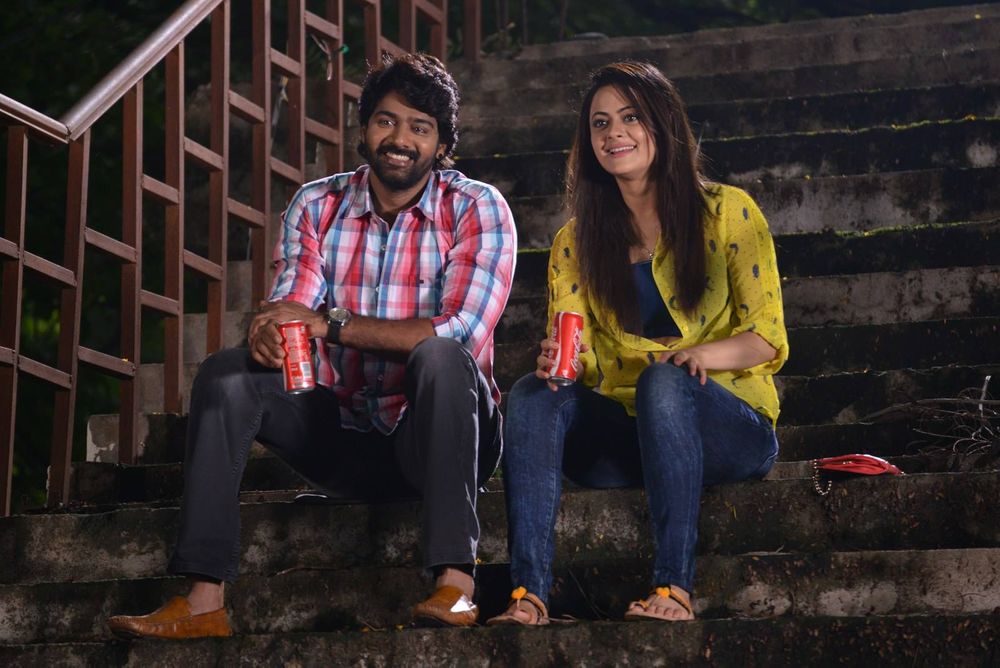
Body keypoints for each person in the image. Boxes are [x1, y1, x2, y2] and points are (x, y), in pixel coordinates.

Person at [107, 52, 517, 638]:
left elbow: (459, 331)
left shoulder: (477, 206)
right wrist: (271, 331)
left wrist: (330, 324)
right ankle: (203, 600)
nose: (400, 139)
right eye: (386, 120)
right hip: (343, 437)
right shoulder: (317, 204)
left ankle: (456, 585)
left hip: (438, 441)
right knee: (226, 375)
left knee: (442, 357)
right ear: (364, 127)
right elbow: (292, 311)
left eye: (420, 127)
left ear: (442, 143)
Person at [486, 61, 787, 626]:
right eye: (600, 123)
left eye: (630, 118)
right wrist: (557, 364)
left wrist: (696, 357)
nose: (614, 133)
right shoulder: (576, 242)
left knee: (664, 382)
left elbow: (766, 338)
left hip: (728, 427)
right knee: (530, 393)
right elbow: (578, 355)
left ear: (663, 123)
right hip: (629, 438)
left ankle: (674, 588)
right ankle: (528, 595)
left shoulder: (728, 211)